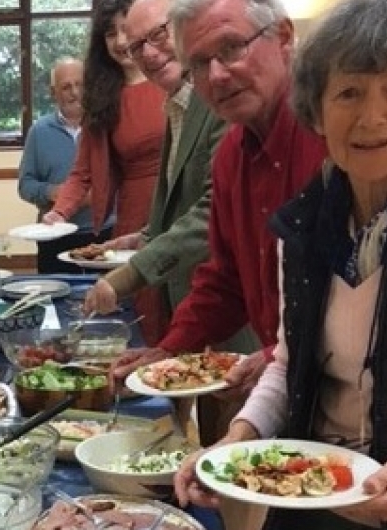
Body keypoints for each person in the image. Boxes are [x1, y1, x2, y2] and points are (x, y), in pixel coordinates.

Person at [175, 0, 387, 530]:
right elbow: (289, 366)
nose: (371, 117)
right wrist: (236, 440)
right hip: (318, 500)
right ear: (315, 112)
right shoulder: (303, 224)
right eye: (348, 92)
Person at [111, 0, 327, 530]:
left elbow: (353, 293)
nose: (217, 75)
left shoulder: (332, 138)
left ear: (281, 38)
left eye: (230, 49)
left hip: (345, 400)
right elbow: (223, 279)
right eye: (200, 63)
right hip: (284, 391)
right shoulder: (231, 153)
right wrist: (168, 347)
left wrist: (276, 355)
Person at [85, 0, 259, 444]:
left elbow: (210, 213)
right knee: (205, 433)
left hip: (235, 317)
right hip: (199, 303)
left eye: (158, 36)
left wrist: (127, 274)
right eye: (137, 45)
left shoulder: (217, 102)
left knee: (234, 442)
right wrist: (144, 235)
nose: (147, 52)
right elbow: (183, 206)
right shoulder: (178, 104)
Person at [43, 0, 167, 344]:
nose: (120, 41)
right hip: (135, 218)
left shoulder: (173, 76)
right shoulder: (102, 97)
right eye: (110, 33)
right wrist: (58, 212)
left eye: (126, 29)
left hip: (186, 210)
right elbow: (82, 172)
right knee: (147, 324)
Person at [18, 57, 113, 274]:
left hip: (104, 235)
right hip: (54, 236)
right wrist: (53, 192)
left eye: (80, 84)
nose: (74, 92)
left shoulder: (106, 127)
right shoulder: (39, 132)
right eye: (66, 86)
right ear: (53, 93)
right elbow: (25, 185)